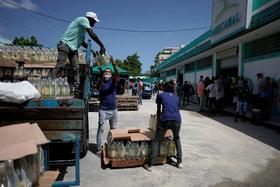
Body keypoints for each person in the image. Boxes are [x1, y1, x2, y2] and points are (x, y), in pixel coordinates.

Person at [51, 12, 106, 97]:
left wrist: (91, 50)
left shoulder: (82, 30)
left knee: (76, 69)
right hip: (65, 45)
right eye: (94, 21)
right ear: (90, 19)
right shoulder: (83, 19)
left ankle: (75, 89)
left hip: (73, 49)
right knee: (60, 65)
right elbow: (92, 34)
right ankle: (51, 84)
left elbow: (82, 43)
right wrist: (101, 45)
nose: (94, 23)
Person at [144, 80, 182, 172]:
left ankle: (150, 164)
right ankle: (179, 162)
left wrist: (158, 122)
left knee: (156, 140)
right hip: (177, 119)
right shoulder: (177, 97)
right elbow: (176, 108)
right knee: (176, 139)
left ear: (164, 87)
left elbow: (158, 110)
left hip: (165, 119)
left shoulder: (160, 95)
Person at [96, 56, 119, 155]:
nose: (108, 73)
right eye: (106, 72)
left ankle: (111, 146)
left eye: (109, 72)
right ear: (103, 74)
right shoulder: (101, 83)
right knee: (101, 129)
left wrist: (113, 64)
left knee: (113, 130)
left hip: (113, 110)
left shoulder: (113, 82)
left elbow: (117, 74)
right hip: (103, 110)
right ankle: (98, 148)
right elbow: (100, 88)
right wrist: (102, 73)